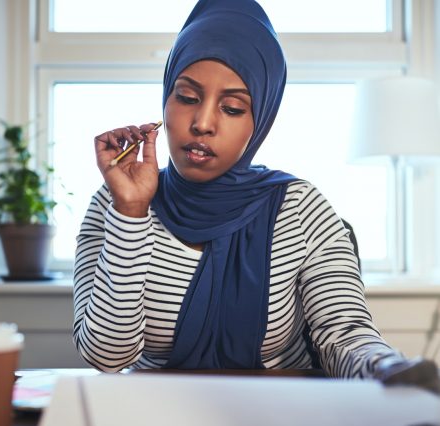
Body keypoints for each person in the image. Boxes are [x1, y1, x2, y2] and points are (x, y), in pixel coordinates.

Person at [73, 0, 439, 391]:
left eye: (232, 108)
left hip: (280, 413)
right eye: (187, 97)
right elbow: (107, 356)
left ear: (260, 119)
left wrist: (387, 366)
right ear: (166, 98)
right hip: (155, 413)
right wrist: (131, 212)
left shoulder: (299, 207)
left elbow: (344, 333)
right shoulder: (117, 200)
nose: (202, 123)